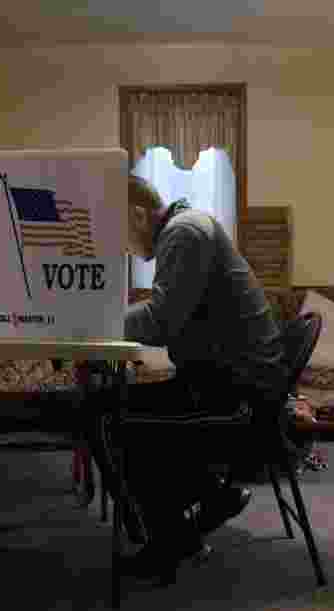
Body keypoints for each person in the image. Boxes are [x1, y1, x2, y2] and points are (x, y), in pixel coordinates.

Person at [114, 174, 290, 579]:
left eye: (116, 228)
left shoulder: (185, 233)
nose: (118, 243)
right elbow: (167, 316)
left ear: (137, 215)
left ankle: (173, 536)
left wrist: (95, 323)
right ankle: (202, 504)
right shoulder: (185, 229)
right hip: (234, 381)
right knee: (120, 409)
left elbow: (159, 320)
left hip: (239, 393)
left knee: (121, 422)